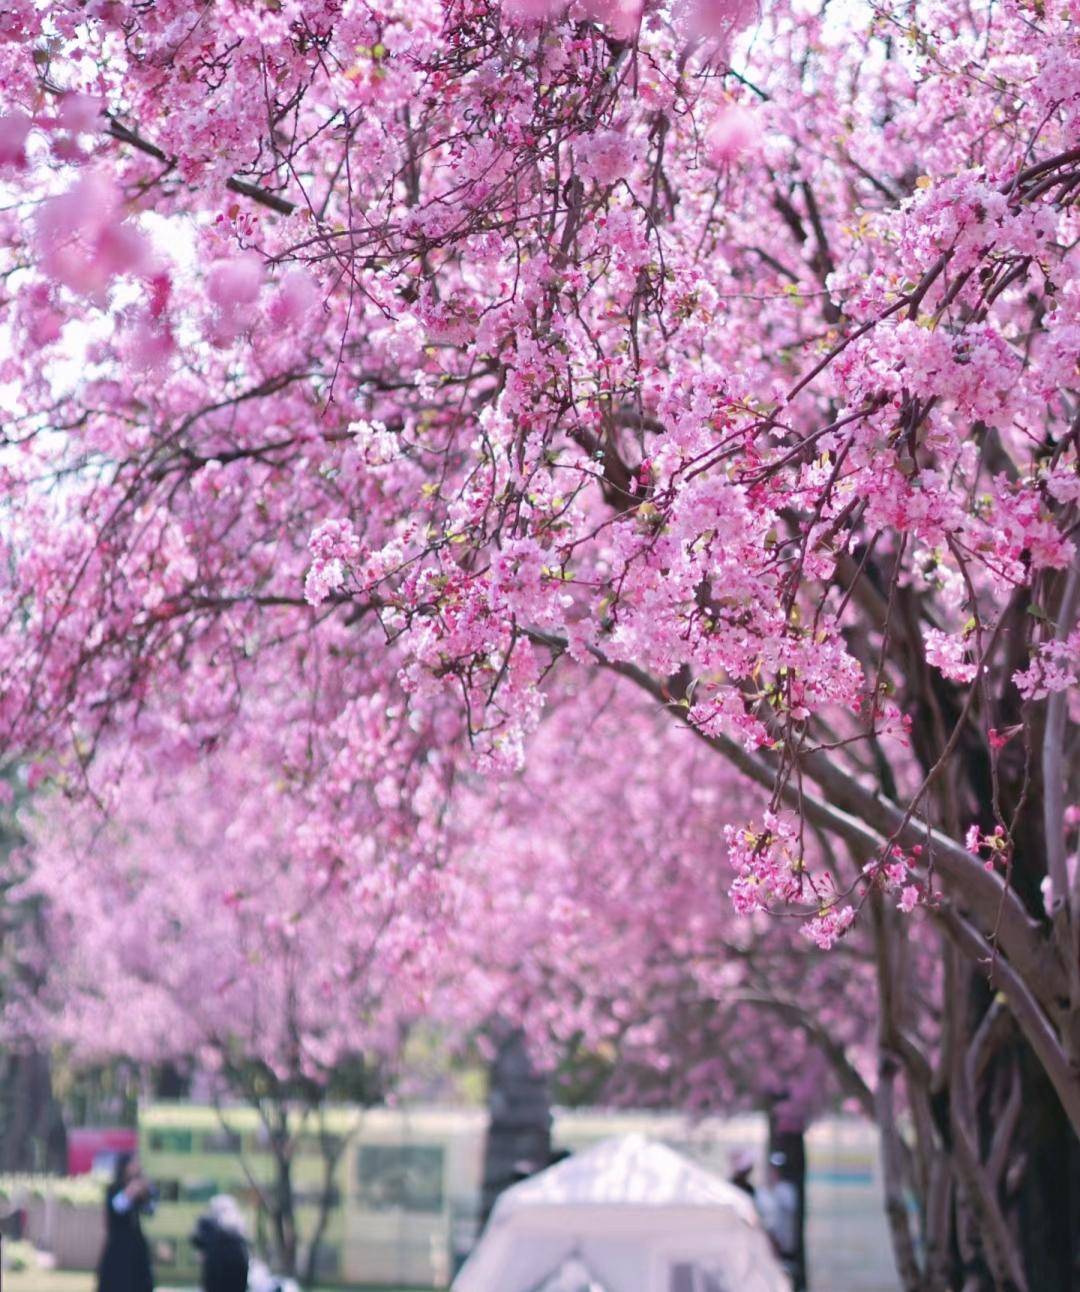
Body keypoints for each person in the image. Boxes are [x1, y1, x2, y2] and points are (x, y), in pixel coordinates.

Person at [97, 1152, 155, 1292]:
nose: (137, 1166)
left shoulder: (140, 1187)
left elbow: (150, 1210)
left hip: (136, 1242)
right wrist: (132, 1190)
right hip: (119, 1244)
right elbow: (118, 1206)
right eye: (133, 1163)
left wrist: (146, 1192)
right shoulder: (114, 1188)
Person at [192, 1194, 250, 1292]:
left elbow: (196, 1239)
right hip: (229, 1272)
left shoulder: (209, 1225)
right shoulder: (237, 1227)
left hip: (219, 1271)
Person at [757, 1151, 800, 1283]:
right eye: (773, 1168)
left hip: (784, 1245)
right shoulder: (762, 1192)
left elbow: (789, 1208)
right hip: (767, 1245)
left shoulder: (787, 1190)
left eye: (777, 1169)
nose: (775, 1172)